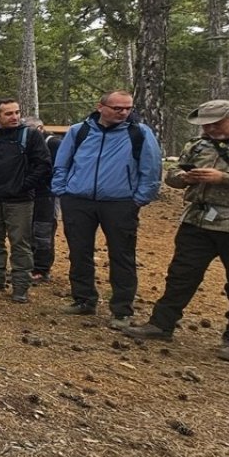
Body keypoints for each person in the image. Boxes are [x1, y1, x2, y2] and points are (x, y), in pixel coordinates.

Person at [123, 100, 229, 361]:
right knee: (181, 274)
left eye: (217, 123)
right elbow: (173, 175)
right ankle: (161, 324)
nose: (211, 128)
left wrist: (223, 179)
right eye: (207, 124)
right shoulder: (197, 145)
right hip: (197, 220)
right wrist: (182, 178)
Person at [53, 91, 162, 327]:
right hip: (78, 200)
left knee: (122, 255)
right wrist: (62, 190)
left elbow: (151, 169)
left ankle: (122, 309)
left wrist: (138, 199)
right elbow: (62, 162)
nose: (123, 112)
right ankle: (83, 299)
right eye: (117, 108)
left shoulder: (139, 133)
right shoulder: (79, 131)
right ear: (100, 107)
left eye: (127, 108)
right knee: (79, 251)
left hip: (120, 203)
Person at [0, 99, 52, 304]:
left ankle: (20, 286)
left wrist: (24, 185)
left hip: (20, 201)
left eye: (17, 112)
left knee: (21, 243)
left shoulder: (31, 135)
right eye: (8, 113)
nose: (14, 117)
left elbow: (43, 164)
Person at [25, 117, 61, 284]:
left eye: (29, 130)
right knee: (27, 230)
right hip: (28, 192)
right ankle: (28, 265)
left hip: (47, 193)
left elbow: (59, 168)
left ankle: (41, 269)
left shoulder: (53, 143)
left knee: (43, 231)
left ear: (39, 129)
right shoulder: (26, 144)